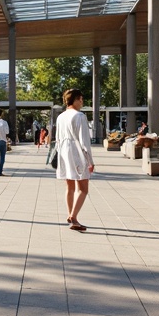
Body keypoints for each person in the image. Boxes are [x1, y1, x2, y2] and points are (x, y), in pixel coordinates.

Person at [55, 88, 96, 231]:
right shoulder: (79, 116)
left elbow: (57, 139)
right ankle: (74, 217)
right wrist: (90, 161)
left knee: (70, 186)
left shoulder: (60, 117)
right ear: (77, 99)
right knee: (83, 188)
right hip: (77, 152)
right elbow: (84, 141)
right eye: (81, 99)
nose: (82, 102)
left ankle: (70, 215)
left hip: (64, 152)